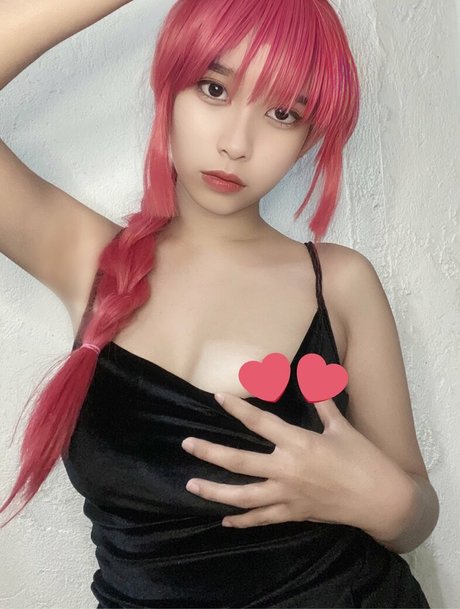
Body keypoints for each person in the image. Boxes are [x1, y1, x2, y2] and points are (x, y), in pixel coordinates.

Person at [0, 0, 438, 607]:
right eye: (214, 89)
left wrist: (382, 500)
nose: (236, 143)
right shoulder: (85, 257)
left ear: (309, 136)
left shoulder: (339, 282)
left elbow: (415, 515)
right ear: (169, 87)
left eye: (283, 113)